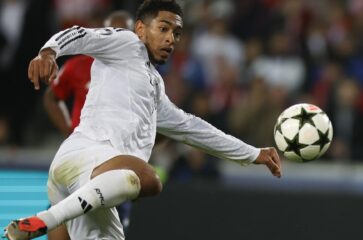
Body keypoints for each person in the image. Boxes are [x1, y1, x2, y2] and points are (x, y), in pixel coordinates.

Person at [3, 1, 282, 239]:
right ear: (140, 29)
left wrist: (254, 153)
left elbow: (195, 129)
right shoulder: (126, 45)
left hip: (90, 189)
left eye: (177, 32)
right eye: (163, 28)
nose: (171, 38)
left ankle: (46, 218)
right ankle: (44, 219)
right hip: (86, 155)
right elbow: (80, 34)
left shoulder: (156, 90)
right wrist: (49, 53)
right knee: (149, 178)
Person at [42, 10, 135, 240]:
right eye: (112, 31)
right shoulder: (79, 66)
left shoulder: (141, 76)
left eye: (124, 32)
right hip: (79, 157)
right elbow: (51, 97)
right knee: (60, 224)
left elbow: (160, 121)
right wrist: (68, 130)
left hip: (111, 163)